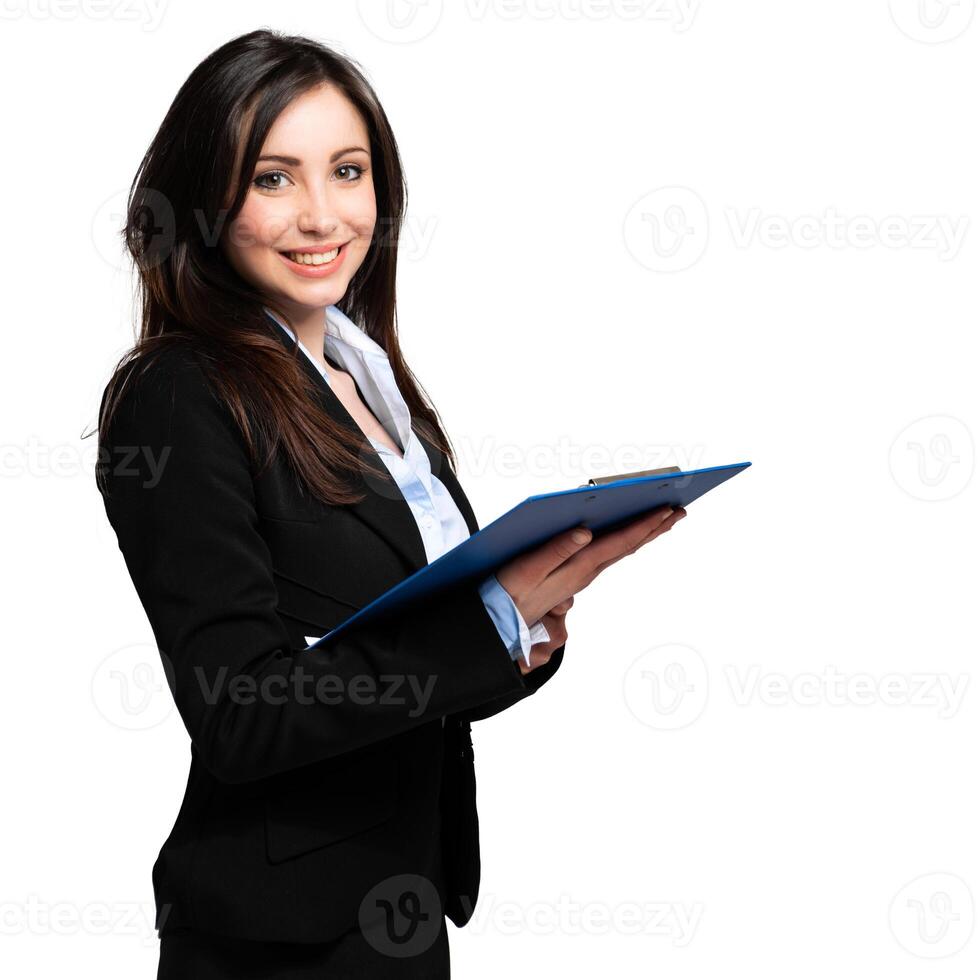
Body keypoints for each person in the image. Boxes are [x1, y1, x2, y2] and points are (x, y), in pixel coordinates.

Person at [95, 29, 687, 979]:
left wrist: (529, 632)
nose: (323, 214)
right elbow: (241, 711)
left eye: (349, 170)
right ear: (206, 198)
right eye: (274, 178)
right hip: (279, 938)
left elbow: (408, 651)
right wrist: (488, 619)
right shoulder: (178, 393)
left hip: (400, 903)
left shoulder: (368, 381)